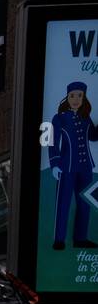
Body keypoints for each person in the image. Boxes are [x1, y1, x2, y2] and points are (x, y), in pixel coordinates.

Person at [48, 81, 98, 251]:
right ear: (67, 97)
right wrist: (54, 164)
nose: (76, 99)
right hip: (66, 167)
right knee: (63, 203)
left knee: (84, 202)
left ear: (84, 98)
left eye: (79, 96)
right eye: (72, 96)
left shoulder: (86, 117)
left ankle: (80, 238)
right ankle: (59, 239)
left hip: (85, 167)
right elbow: (53, 142)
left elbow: (92, 136)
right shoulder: (59, 117)